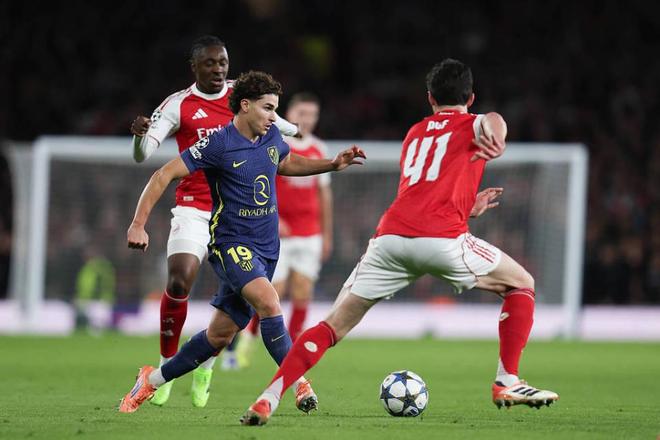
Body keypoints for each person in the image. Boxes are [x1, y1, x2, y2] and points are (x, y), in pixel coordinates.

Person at [240, 59, 559, 426]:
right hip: (442, 239)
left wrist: (467, 206)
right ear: (471, 98)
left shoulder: (415, 133)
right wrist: (497, 133)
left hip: (390, 239)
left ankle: (268, 397)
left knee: (332, 326)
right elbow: (493, 122)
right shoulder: (474, 123)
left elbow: (424, 191)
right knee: (521, 283)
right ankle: (507, 381)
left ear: (430, 98)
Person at [118, 70, 366, 414]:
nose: (274, 117)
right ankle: (298, 384)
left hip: (267, 248)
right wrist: (138, 224)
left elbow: (286, 161)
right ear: (245, 106)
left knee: (218, 336)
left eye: (275, 109)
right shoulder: (217, 144)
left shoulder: (270, 136)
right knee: (270, 302)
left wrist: (332, 164)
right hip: (232, 245)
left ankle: (151, 380)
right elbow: (164, 174)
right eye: (268, 108)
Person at [129, 35, 299, 407]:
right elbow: (145, 155)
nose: (218, 69)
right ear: (195, 67)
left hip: (236, 213)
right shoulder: (178, 104)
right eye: (210, 63)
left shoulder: (243, 95)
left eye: (223, 62)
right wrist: (140, 138)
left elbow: (279, 124)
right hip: (194, 205)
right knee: (180, 277)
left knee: (235, 302)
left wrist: (295, 131)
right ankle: (166, 364)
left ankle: (204, 364)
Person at [235, 92, 331, 366]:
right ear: (289, 114)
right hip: (277, 233)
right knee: (272, 291)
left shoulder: (319, 149)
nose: (307, 119)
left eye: (312, 114)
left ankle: (291, 354)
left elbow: (324, 196)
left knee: (302, 291)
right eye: (302, 113)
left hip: (310, 232)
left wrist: (327, 235)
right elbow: (260, 186)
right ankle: (247, 340)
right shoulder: (275, 143)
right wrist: (276, 219)